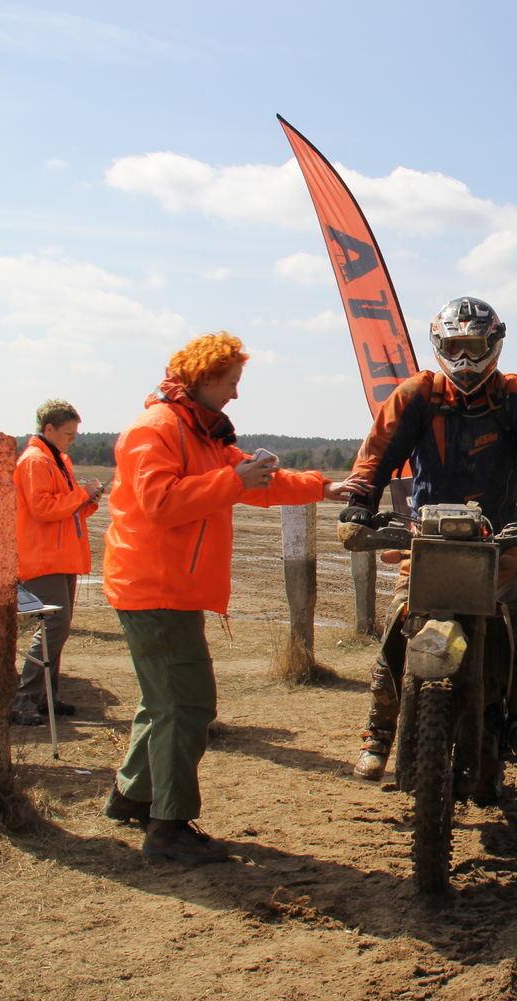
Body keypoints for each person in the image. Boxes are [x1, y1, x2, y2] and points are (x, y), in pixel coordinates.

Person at [101, 332, 365, 864]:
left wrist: (322, 487)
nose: (235, 394)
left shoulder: (199, 432)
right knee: (187, 704)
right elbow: (160, 504)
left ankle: (134, 797)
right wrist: (230, 479)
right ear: (203, 378)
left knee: (163, 702)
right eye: (230, 382)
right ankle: (168, 828)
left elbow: (260, 481)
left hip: (165, 588)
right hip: (155, 589)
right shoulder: (156, 429)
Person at [340, 296, 517, 781]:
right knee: (398, 622)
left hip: (497, 538)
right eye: (454, 347)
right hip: (426, 540)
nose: (464, 358)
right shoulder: (417, 395)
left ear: (494, 344)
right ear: (438, 347)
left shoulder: (516, 397)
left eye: (473, 346)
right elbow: (377, 453)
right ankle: (378, 732)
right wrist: (360, 503)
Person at [10, 399, 104, 726]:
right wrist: (82, 494)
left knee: (57, 628)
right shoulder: (35, 461)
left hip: (60, 555)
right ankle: (25, 698)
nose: (73, 439)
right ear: (48, 429)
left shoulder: (57, 459)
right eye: (68, 433)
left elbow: (65, 510)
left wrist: (88, 501)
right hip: (42, 557)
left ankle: (45, 696)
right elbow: (43, 509)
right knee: (54, 626)